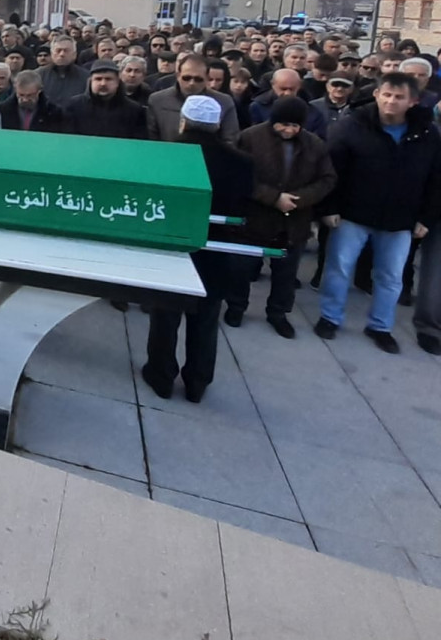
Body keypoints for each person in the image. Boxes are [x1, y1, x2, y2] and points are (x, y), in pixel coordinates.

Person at [315, 72, 441, 353]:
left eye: (399, 97)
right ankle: (330, 317)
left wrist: (425, 218)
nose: (391, 102)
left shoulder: (427, 132)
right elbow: (332, 169)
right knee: (339, 269)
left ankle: (380, 326)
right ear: (376, 95)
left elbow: (435, 179)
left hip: (400, 220)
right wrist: (329, 208)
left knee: (390, 276)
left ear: (413, 101)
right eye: (386, 95)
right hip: (352, 214)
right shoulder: (353, 126)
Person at [143, 95, 253, 403]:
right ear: (218, 124)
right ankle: (197, 382)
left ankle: (161, 375)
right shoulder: (241, 163)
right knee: (205, 318)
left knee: (166, 315)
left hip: (172, 248)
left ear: (183, 121)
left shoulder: (165, 156)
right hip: (215, 250)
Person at [234, 97, 336, 338]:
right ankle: (236, 307)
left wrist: (298, 199)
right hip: (255, 218)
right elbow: (239, 176)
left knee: (286, 274)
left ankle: (278, 314)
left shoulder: (315, 145)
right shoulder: (250, 138)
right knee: (242, 269)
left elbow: (327, 179)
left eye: (294, 125)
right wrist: (272, 197)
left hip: (293, 221)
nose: (288, 130)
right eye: (283, 124)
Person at [146, 54, 240, 144]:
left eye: (198, 79)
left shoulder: (224, 102)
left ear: (207, 78)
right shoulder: (157, 100)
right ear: (178, 76)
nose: (192, 83)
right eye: (186, 78)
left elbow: (230, 140)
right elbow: (152, 138)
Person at [62, 61, 148, 139]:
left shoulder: (134, 110)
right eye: (98, 79)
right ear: (91, 81)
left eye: (108, 79)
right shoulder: (74, 105)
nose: (103, 83)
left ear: (117, 82)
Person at [38, 36, 88, 107]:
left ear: (74, 54)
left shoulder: (86, 77)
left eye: (66, 51)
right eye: (58, 50)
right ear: (52, 54)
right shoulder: (38, 76)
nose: (62, 54)